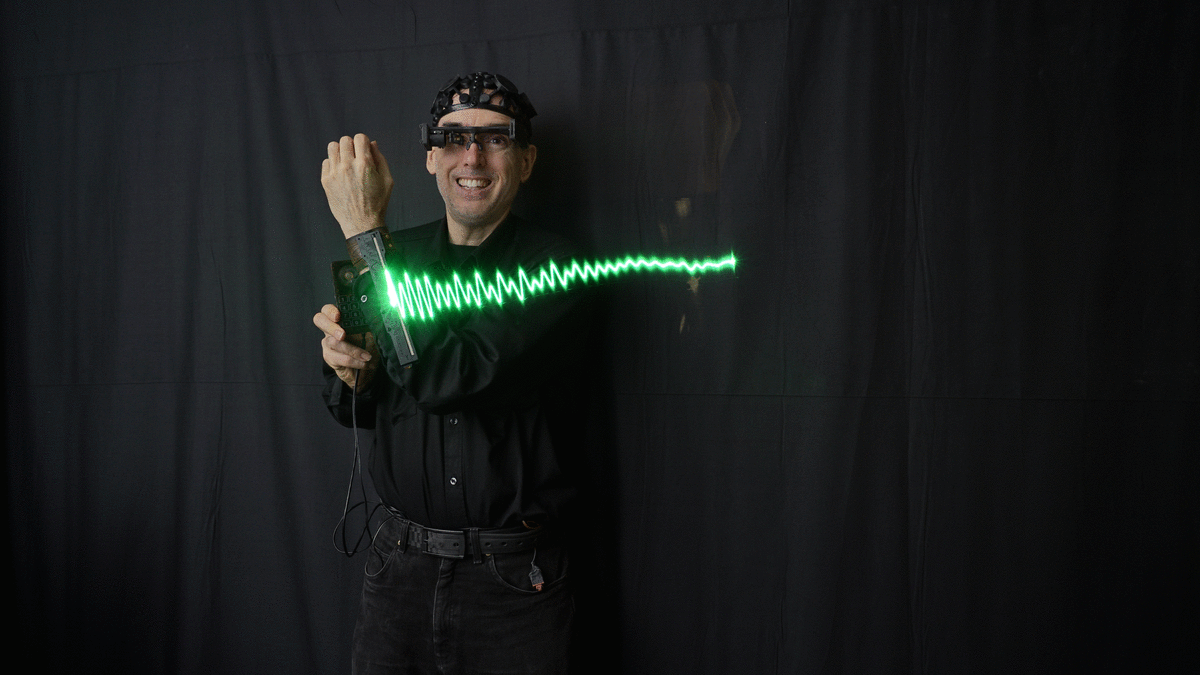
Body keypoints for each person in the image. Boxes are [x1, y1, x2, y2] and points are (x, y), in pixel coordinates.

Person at [312, 72, 586, 674]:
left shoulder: (555, 269)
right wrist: (348, 370)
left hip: (514, 586)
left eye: (496, 139)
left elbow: (447, 377)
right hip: (397, 572)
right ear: (432, 157)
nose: (473, 157)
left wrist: (363, 232)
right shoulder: (394, 258)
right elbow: (350, 404)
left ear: (526, 161)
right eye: (454, 138)